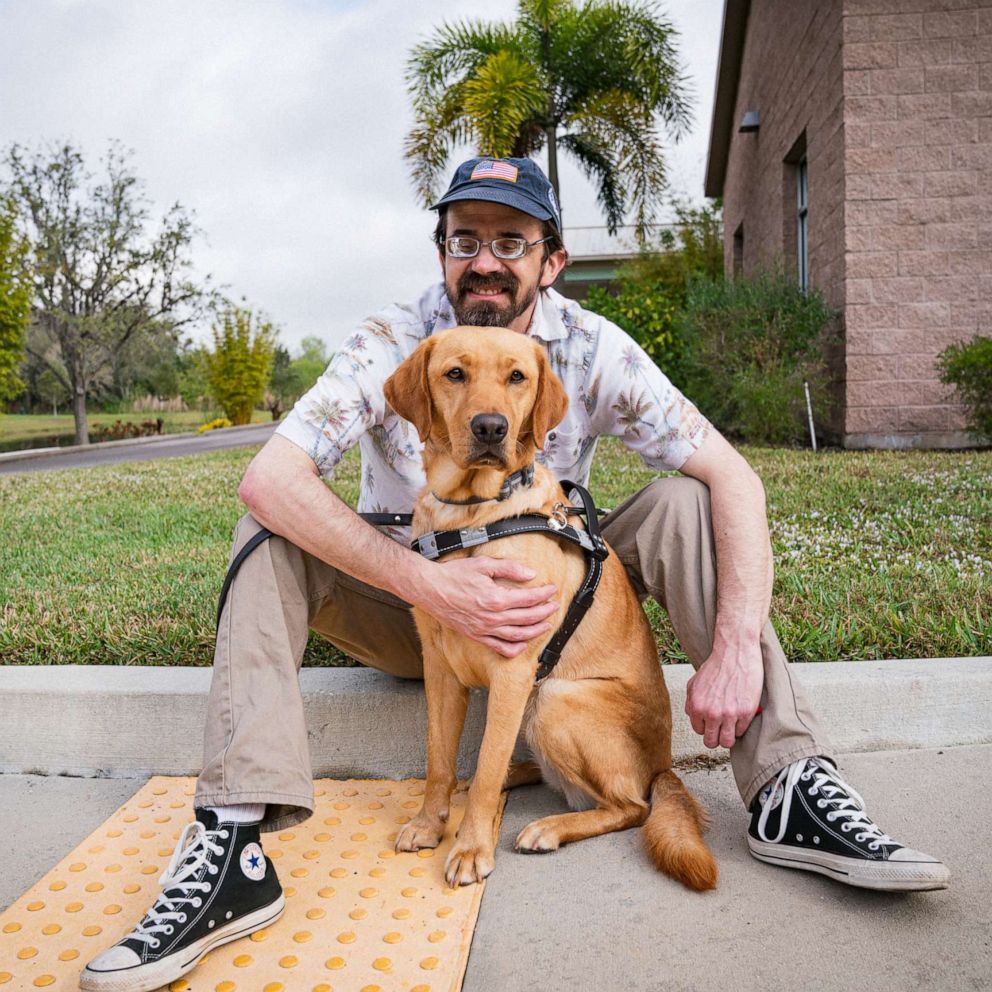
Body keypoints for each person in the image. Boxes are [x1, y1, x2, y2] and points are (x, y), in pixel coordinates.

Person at [82, 157, 948, 990]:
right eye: (466, 240)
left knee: (689, 501)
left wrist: (734, 650)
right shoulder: (395, 339)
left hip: (556, 596)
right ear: (443, 254)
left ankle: (790, 779)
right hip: (404, 592)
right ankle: (234, 838)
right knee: (265, 528)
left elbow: (738, 479)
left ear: (552, 260)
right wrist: (430, 582)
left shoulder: (593, 347)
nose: (486, 261)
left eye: (512, 240)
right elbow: (268, 476)